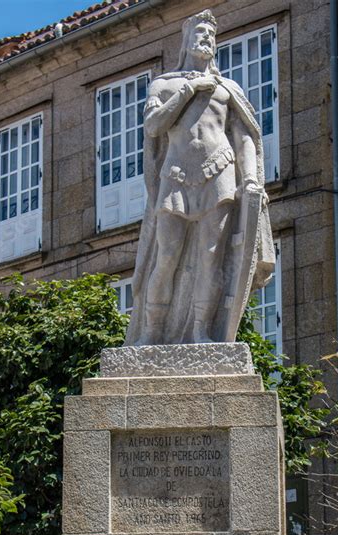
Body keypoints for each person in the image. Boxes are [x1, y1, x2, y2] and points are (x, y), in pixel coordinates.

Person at [125, 9, 274, 346]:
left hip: (219, 172)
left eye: (211, 33)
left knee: (211, 256)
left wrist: (250, 178)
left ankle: (201, 330)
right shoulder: (164, 84)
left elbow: (244, 136)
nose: (206, 38)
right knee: (166, 256)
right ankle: (151, 331)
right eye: (199, 32)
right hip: (175, 176)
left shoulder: (228, 89)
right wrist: (189, 90)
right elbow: (153, 126)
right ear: (186, 40)